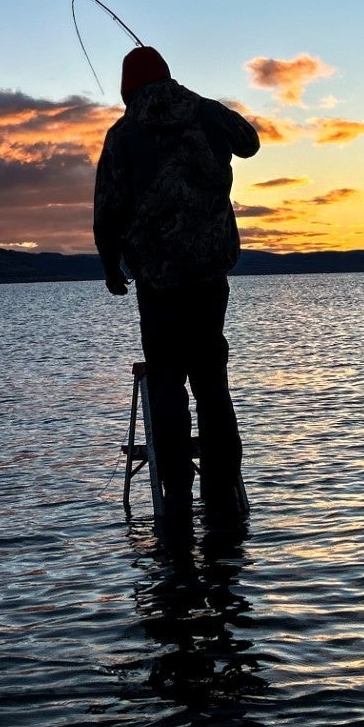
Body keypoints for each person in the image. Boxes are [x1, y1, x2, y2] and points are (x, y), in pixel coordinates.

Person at [94, 44, 261, 529]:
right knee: (212, 381)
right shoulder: (206, 114)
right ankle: (223, 490)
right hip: (210, 274)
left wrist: (110, 268)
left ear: (128, 89)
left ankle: (176, 496)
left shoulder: (123, 134)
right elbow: (249, 142)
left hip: (157, 281)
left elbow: (107, 208)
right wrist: (202, 104)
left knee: (167, 384)